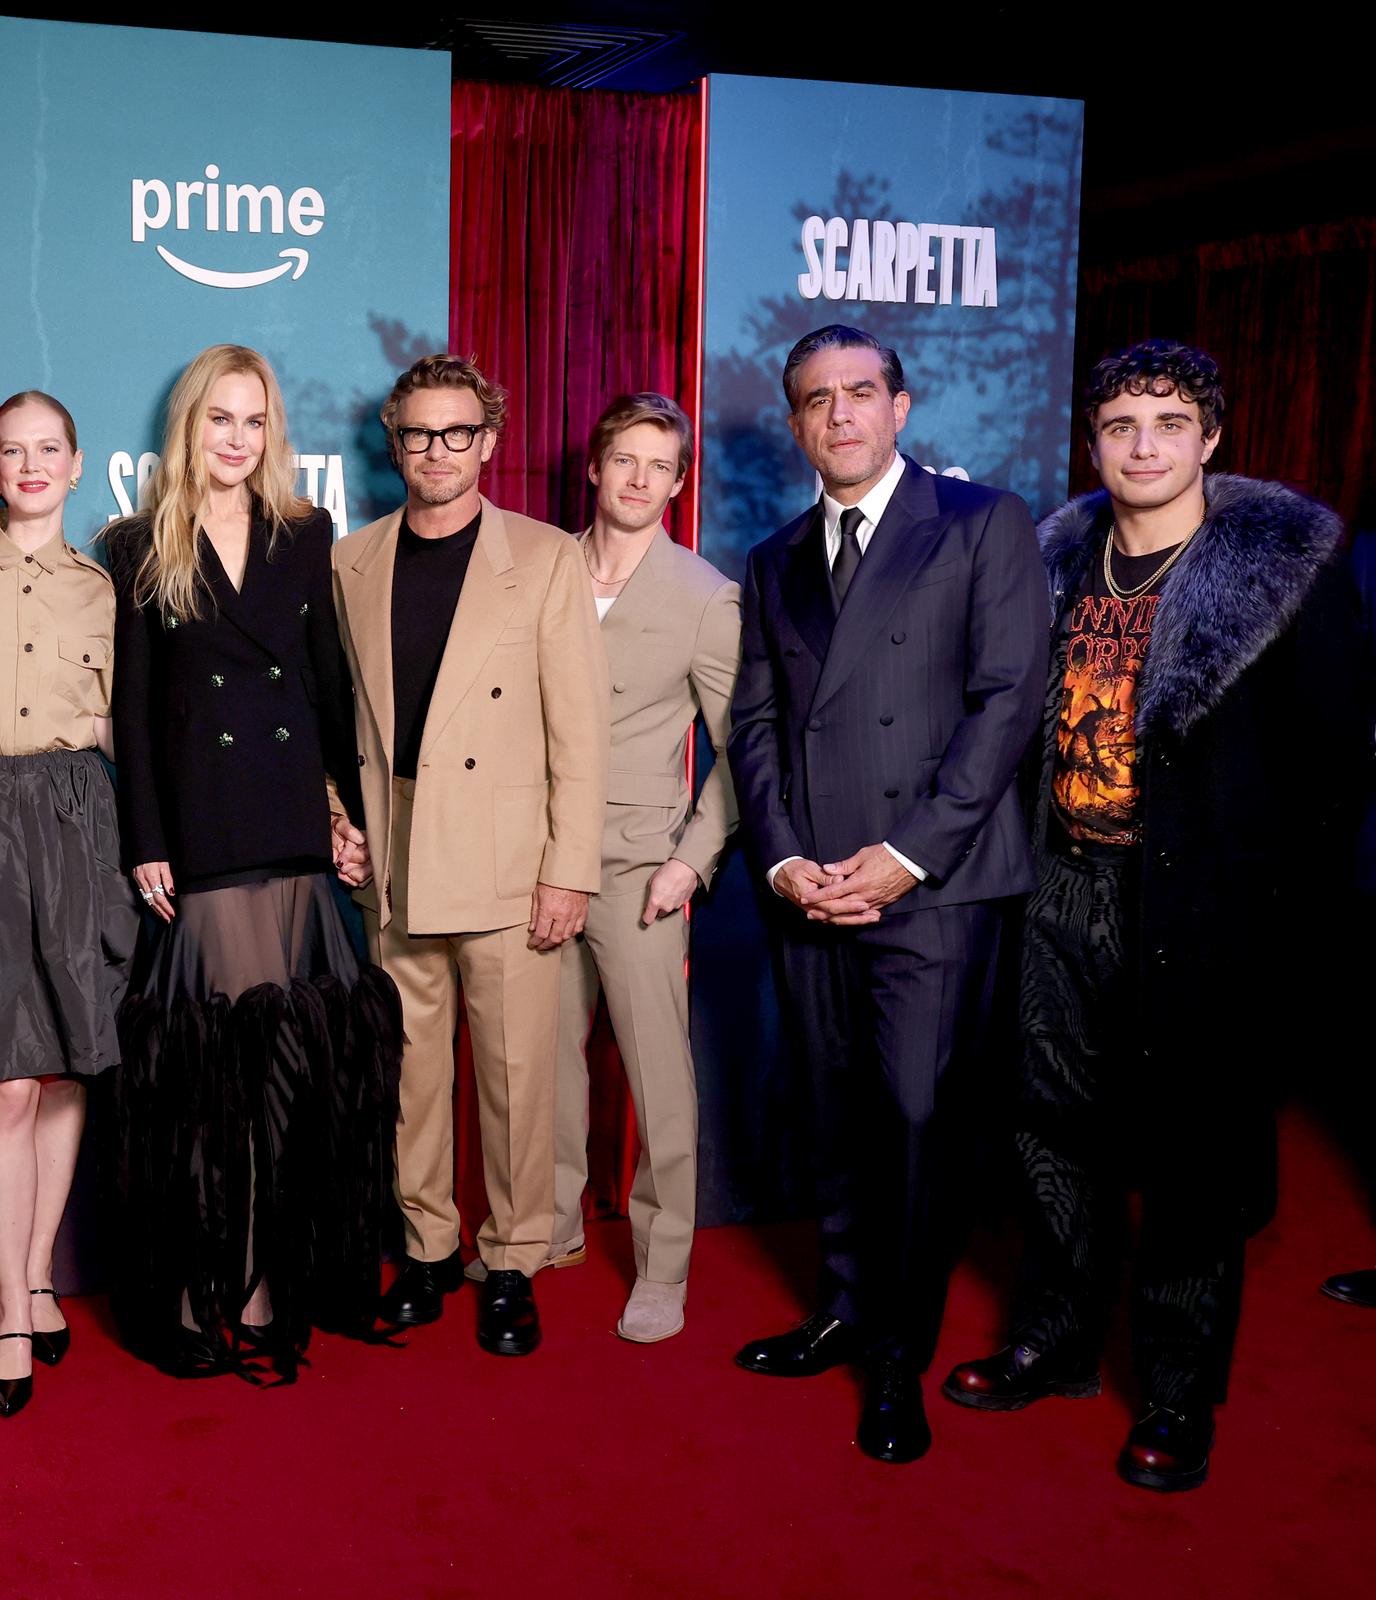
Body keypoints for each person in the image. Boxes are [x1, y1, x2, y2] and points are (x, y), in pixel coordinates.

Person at [942, 341, 1376, 1491]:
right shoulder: (1052, 563)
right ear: (1094, 441)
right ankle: (1054, 1337)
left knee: (1192, 1149)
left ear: (1211, 437)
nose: (1143, 445)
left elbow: (1336, 770)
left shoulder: (1280, 574)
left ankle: (1181, 1394)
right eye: (1122, 424)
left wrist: (1280, 926)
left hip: (1203, 906)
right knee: (1050, 1123)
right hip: (1061, 882)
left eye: (1168, 423)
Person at [727, 324, 1049, 1464]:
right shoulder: (773, 560)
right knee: (834, 1113)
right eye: (817, 400)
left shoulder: (980, 523)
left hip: (934, 885)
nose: (842, 416)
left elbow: (1007, 703)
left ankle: (897, 1356)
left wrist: (905, 855)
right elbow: (754, 726)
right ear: (800, 421)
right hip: (812, 886)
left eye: (862, 393)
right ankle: (847, 1305)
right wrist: (781, 859)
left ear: (900, 408)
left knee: (914, 1122)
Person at [106, 342, 401, 1382]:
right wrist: (145, 837)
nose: (236, 437)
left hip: (290, 830)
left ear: (273, 432)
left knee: (288, 1080)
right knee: (216, 1081)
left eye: (255, 419)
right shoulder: (140, 542)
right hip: (205, 834)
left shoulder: (305, 533)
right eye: (219, 418)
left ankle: (272, 1285)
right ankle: (202, 1289)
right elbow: (131, 715)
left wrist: (346, 814)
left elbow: (325, 691)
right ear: (190, 426)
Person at [324, 354, 608, 1358]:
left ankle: (516, 1257)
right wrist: (333, 810)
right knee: (409, 1076)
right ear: (394, 442)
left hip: (504, 859)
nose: (435, 452)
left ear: (488, 441)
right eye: (417, 435)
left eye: (456, 434)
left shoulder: (544, 558)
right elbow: (333, 716)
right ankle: (431, 1248)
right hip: (395, 857)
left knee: (516, 1075)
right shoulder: (350, 560)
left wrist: (569, 867)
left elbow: (580, 731)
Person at [0, 390, 134, 1417]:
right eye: (13, 451)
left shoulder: (107, 582)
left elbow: (143, 713)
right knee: (1, 1076)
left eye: (50, 448)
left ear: (77, 463)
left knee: (64, 1062)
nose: (32, 465)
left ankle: (41, 1274)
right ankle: (10, 1309)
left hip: (78, 815)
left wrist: (99, 737)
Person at [550, 392, 740, 1343]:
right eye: (622, 459)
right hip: (540, 856)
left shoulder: (705, 597)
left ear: (676, 482)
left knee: (658, 1075)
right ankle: (545, 1231)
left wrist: (690, 864)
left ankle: (664, 1268)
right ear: (594, 466)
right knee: (536, 1062)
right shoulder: (541, 569)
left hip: (638, 865)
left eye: (657, 466)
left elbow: (745, 750)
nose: (637, 479)